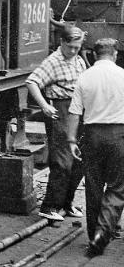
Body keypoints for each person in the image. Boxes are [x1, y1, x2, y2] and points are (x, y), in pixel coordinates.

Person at [68, 37, 124, 256]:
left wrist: (72, 140)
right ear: (115, 54)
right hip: (119, 134)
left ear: (94, 54)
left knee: (93, 186)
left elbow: (75, 112)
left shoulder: (85, 77)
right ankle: (104, 231)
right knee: (117, 187)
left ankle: (93, 235)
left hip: (92, 136)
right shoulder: (123, 76)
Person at [25, 24, 86, 221]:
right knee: (62, 161)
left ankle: (66, 204)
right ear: (61, 42)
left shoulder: (78, 59)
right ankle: (50, 206)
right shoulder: (52, 61)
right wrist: (44, 105)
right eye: (71, 47)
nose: (74, 51)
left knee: (79, 162)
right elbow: (32, 81)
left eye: (77, 47)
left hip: (78, 110)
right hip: (61, 110)